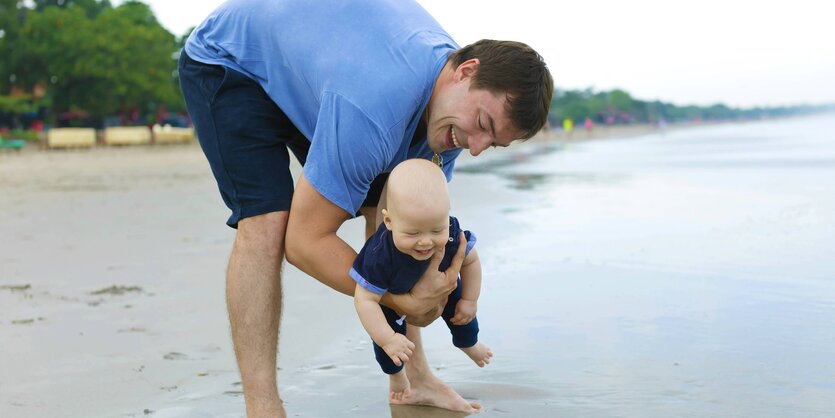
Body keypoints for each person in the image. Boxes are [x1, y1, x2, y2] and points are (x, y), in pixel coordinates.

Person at [177, 0, 553, 416]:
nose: (476, 148)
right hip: (232, 61)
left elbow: (403, 236)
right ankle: (262, 407)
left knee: (405, 219)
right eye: (482, 125)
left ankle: (416, 378)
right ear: (465, 71)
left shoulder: (451, 115)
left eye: (493, 142)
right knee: (269, 220)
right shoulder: (375, 106)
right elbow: (304, 242)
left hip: (320, 69)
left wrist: (426, 291)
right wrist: (396, 300)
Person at [352, 159, 493, 402]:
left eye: (436, 230)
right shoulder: (379, 255)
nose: (426, 241)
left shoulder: (450, 232)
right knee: (389, 345)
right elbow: (365, 300)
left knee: (463, 313)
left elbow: (470, 261)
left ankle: (468, 343)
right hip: (394, 293)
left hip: (443, 284)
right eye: (413, 233)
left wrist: (471, 299)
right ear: (389, 222)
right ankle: (396, 375)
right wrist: (388, 338)